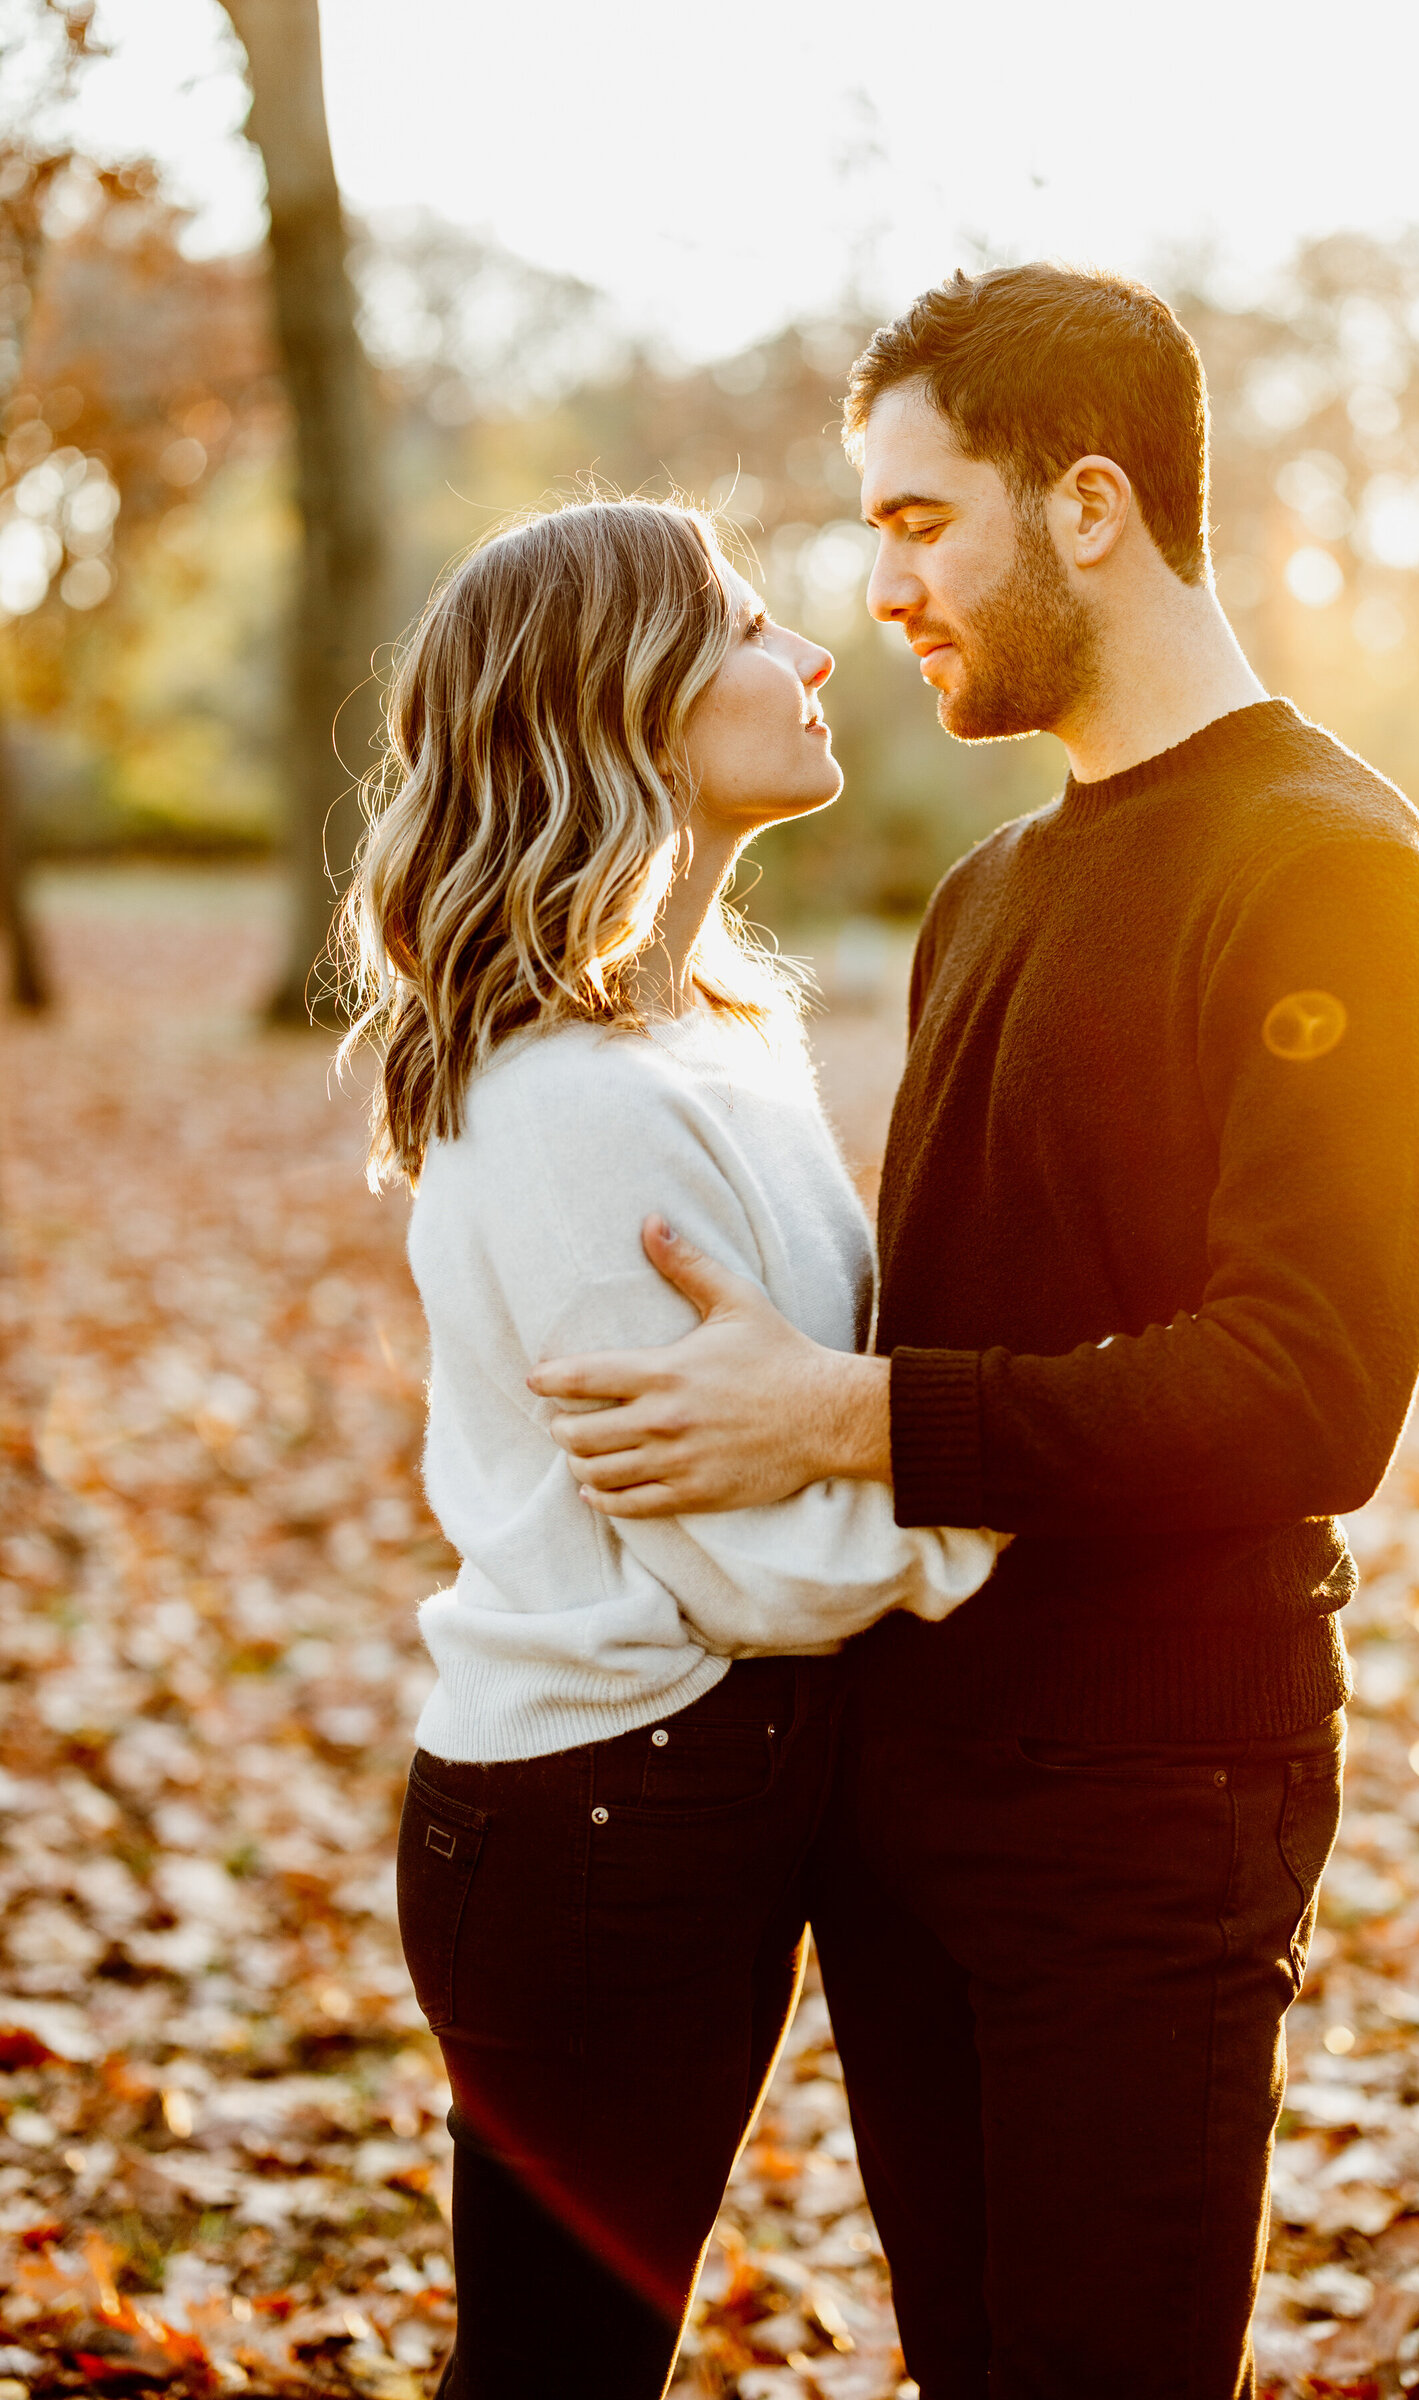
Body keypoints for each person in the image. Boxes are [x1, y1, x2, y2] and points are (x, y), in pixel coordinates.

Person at [531, 267, 1419, 2398]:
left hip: (1150, 1802)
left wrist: (844, 1422)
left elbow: (1306, 1390)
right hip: (909, 1790)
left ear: (1083, 506)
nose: (875, 584)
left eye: (912, 520)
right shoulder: (988, 891)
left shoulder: (1321, 868)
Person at [338, 497, 1000, 2399]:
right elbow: (766, 1561)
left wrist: (896, 1434)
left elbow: (813, 1406)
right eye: (750, 627)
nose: (813, 659)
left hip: (702, 1804)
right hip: (590, 1822)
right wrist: (1035, 1473)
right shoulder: (562, 1110)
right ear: (614, 701)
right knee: (559, 2370)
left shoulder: (720, 1037)